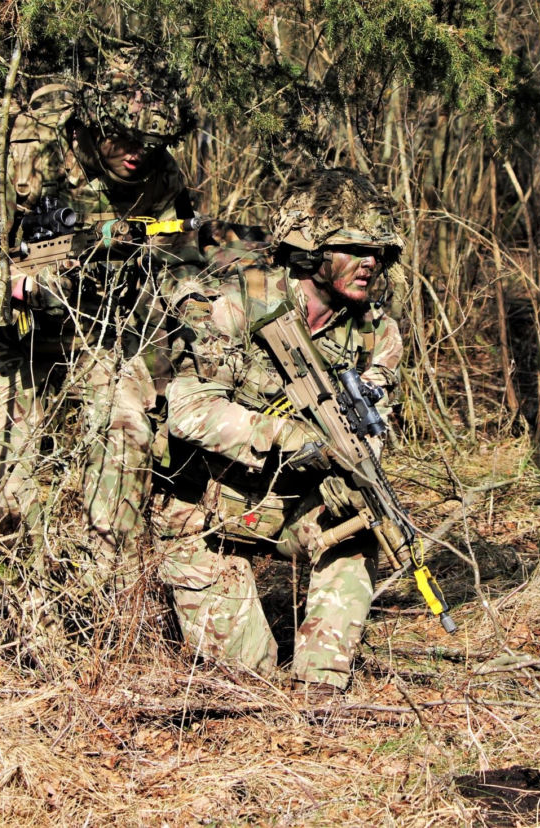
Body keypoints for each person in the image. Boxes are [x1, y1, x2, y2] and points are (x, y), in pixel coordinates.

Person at [0, 40, 203, 577]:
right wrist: (19, 286)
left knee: (127, 433)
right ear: (98, 122)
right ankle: (3, 605)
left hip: (95, 332)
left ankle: (104, 593)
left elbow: (181, 253)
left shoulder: (161, 177)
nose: (139, 153)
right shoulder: (30, 148)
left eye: (152, 143)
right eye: (128, 138)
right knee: (4, 491)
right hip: (3, 336)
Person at [153, 168, 405, 696]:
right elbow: (187, 408)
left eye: (378, 252)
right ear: (311, 249)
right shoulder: (232, 303)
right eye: (354, 248)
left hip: (290, 504)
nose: (370, 263)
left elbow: (371, 425)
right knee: (248, 684)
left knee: (362, 518)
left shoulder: (377, 332)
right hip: (205, 508)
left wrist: (348, 472)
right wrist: (286, 436)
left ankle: (322, 685)